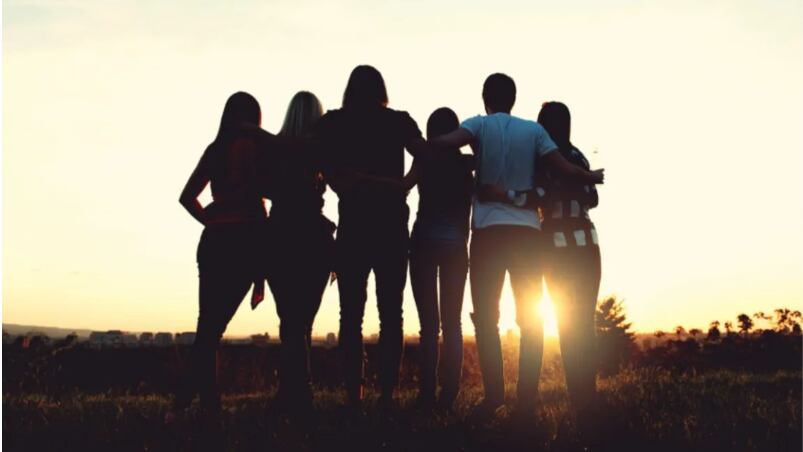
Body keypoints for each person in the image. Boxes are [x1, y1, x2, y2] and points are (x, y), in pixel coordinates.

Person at [430, 74, 604, 421]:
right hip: (543, 240)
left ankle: (497, 396)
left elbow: (450, 143)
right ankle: (534, 399)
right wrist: (583, 179)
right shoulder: (549, 142)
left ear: (485, 99)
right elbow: (578, 183)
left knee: (488, 319)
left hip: (511, 238)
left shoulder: (491, 131)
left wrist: (424, 144)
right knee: (545, 320)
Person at [314, 65, 427, 412]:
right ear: (381, 88)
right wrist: (405, 184)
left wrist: (339, 182)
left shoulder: (334, 122)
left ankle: (354, 393)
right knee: (391, 315)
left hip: (353, 226)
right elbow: (424, 154)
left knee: (351, 316)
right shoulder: (398, 121)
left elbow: (315, 157)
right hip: (391, 225)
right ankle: (388, 394)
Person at [173, 92, 269, 432]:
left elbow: (187, 197)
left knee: (208, 327)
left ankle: (193, 404)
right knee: (212, 329)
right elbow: (263, 202)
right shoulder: (257, 149)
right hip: (245, 243)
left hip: (214, 243)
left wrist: (212, 221)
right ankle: (197, 406)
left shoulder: (214, 151)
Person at [261, 91, 336, 419]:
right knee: (302, 321)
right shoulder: (322, 150)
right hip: (314, 240)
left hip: (279, 237)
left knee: (289, 320)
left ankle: (292, 392)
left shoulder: (273, 149)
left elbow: (262, 189)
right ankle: (299, 392)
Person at [536, 101, 602, 436]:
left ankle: (581, 393)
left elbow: (540, 197)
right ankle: (584, 393)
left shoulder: (542, 161)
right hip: (587, 245)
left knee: (568, 323)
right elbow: (591, 196)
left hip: (558, 248)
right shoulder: (578, 158)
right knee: (582, 322)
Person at [406, 107, 474, 411]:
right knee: (453, 323)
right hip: (456, 246)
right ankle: (450, 393)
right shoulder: (468, 164)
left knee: (428, 326)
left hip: (423, 243)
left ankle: (425, 394)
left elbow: (405, 186)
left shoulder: (424, 158)